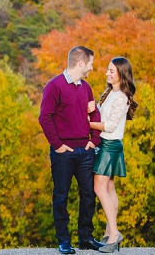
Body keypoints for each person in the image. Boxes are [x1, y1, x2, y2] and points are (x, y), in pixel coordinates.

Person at [39, 45, 105, 254]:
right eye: (91, 63)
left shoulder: (86, 87)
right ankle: (64, 241)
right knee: (61, 196)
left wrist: (94, 141)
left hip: (85, 151)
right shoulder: (54, 86)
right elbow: (45, 117)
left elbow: (95, 115)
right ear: (81, 63)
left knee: (88, 195)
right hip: (63, 153)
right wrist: (57, 145)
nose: (92, 68)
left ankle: (85, 238)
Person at [88, 57, 138, 253]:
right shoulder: (110, 93)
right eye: (107, 70)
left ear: (121, 74)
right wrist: (91, 111)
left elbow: (109, 126)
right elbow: (102, 117)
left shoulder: (122, 97)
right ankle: (110, 232)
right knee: (109, 188)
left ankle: (115, 234)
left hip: (110, 146)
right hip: (107, 145)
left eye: (111, 71)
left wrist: (87, 124)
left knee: (99, 188)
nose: (107, 73)